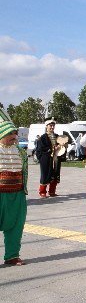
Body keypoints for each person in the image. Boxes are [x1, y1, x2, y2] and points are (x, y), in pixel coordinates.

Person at [0, 111, 28, 265]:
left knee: (16, 226)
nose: (14, 136)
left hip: (17, 195)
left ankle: (12, 256)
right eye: (10, 133)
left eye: (15, 133)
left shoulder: (21, 152)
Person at [35, 118, 65, 198]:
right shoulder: (42, 138)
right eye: (50, 126)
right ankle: (42, 192)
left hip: (56, 158)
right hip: (47, 159)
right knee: (45, 174)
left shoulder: (57, 136)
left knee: (55, 174)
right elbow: (40, 149)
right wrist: (52, 149)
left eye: (53, 125)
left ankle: (52, 191)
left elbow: (63, 144)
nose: (52, 127)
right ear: (46, 126)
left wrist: (62, 145)